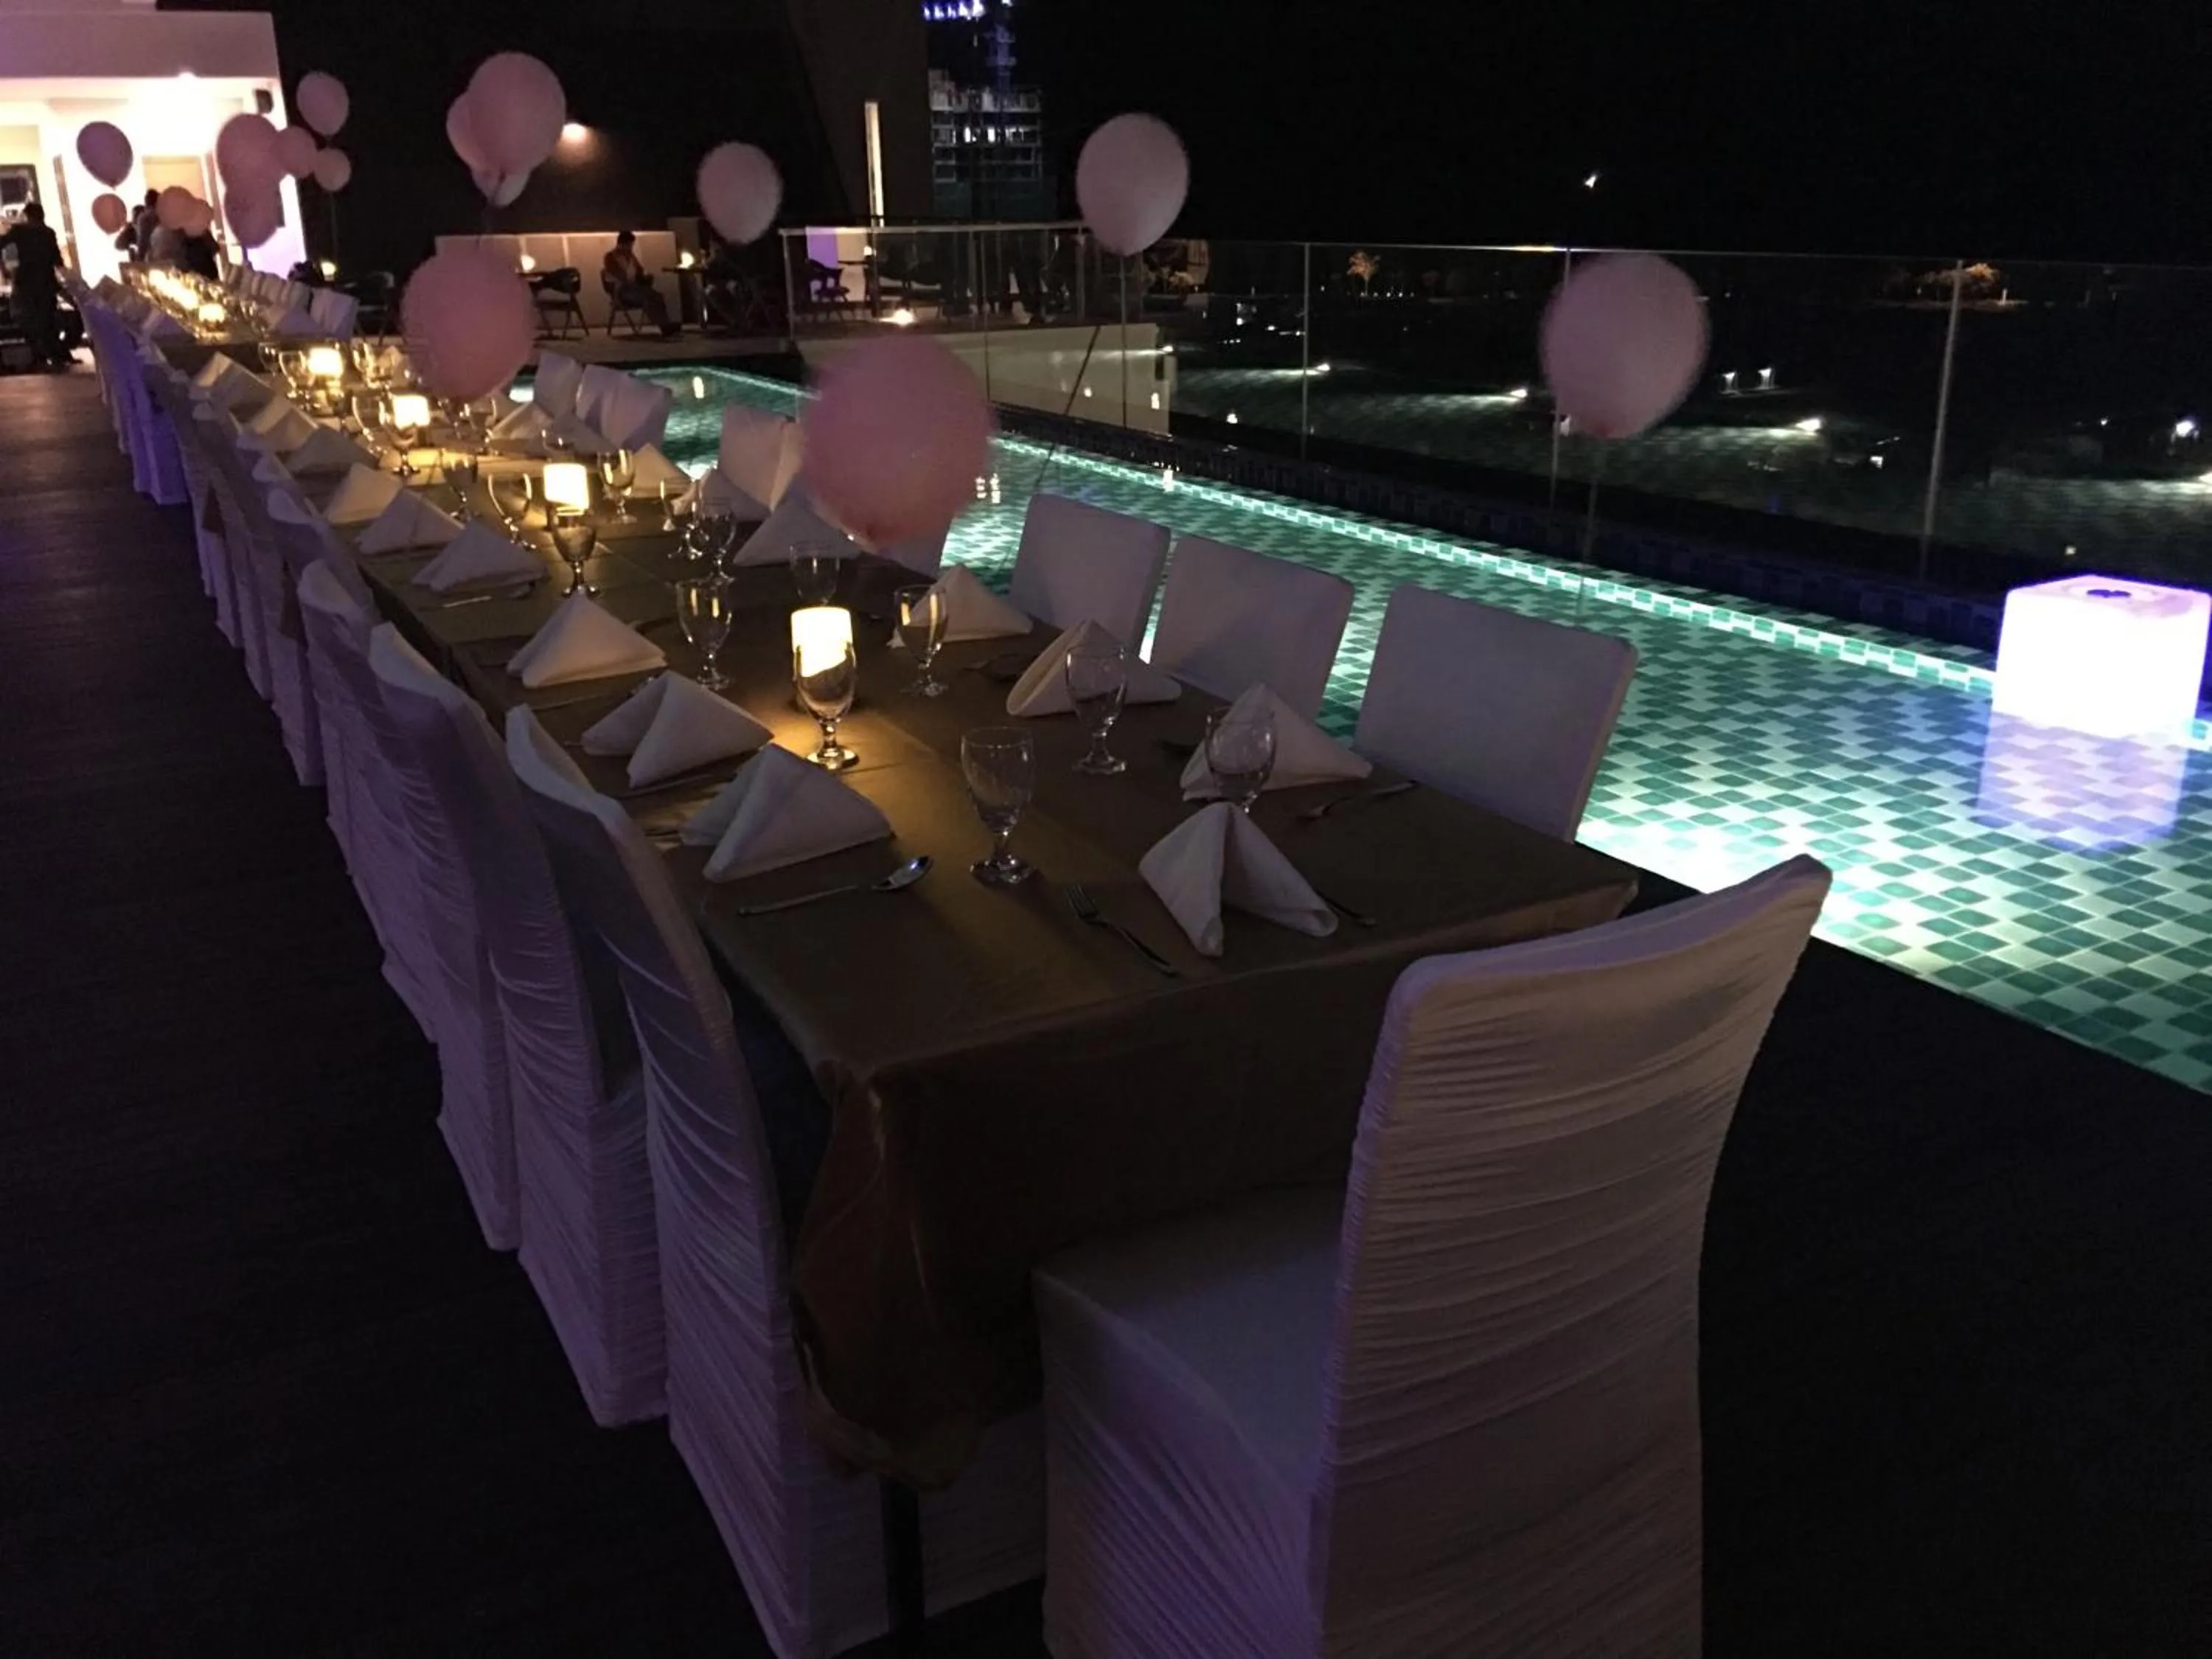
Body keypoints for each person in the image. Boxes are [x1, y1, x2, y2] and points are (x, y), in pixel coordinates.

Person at [1, 201, 68, 367]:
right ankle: (54, 355)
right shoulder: (48, 233)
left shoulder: (20, 231)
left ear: (28, 215)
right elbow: (57, 260)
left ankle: (39, 355)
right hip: (46, 283)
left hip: (26, 283)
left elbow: (2, 243)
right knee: (46, 319)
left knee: (28, 318)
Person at [601, 230, 678, 337]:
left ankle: (666, 323)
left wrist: (644, 277)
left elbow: (639, 271)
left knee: (657, 296)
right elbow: (620, 276)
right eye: (629, 245)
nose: (631, 247)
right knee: (648, 297)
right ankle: (664, 326)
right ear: (622, 244)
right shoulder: (610, 257)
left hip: (635, 288)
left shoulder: (631, 257)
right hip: (622, 291)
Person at [119, 189, 159, 262]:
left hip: (152, 258)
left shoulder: (145, 218)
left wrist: (139, 260)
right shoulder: (164, 215)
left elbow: (143, 242)